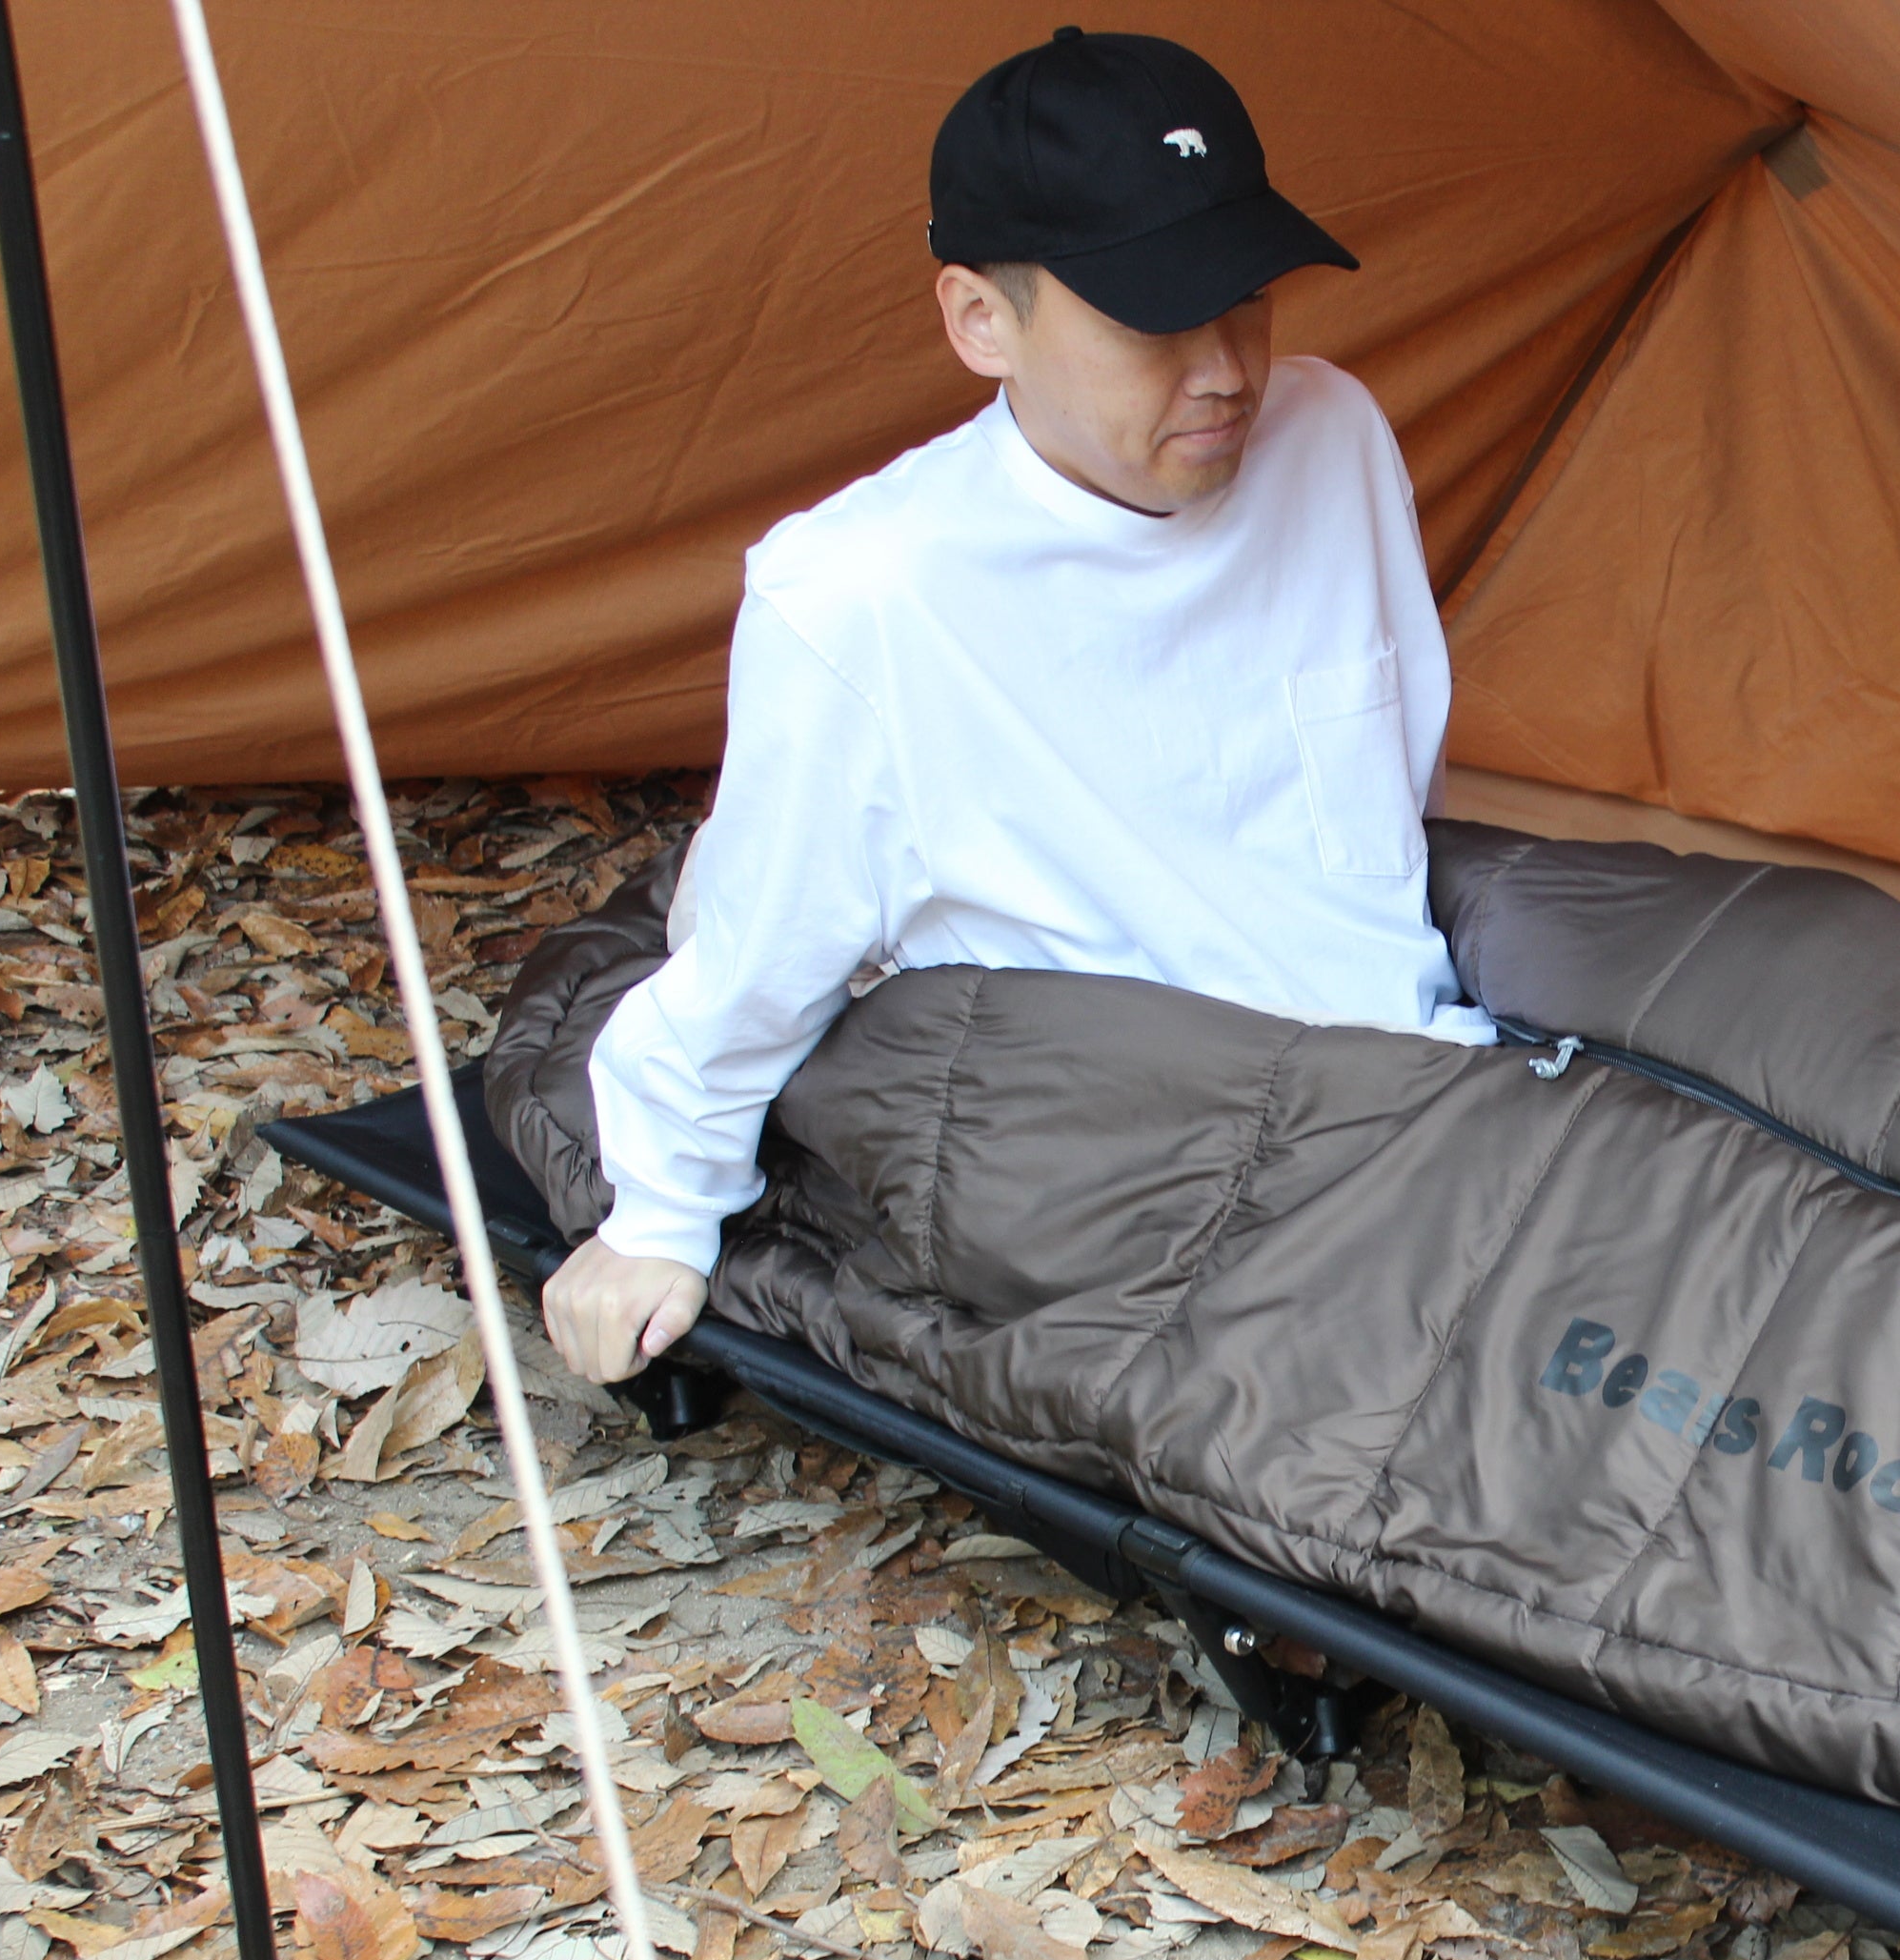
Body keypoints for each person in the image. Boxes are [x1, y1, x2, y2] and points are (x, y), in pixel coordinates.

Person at [541, 27, 1490, 1385]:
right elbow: (756, 963)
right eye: (1155, 318)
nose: (1226, 367)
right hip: (1143, 1139)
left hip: (1418, 1077)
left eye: (1246, 296)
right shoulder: (862, 591)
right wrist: (658, 1215)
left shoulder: (1329, 432)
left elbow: (1397, 776)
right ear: (981, 320)